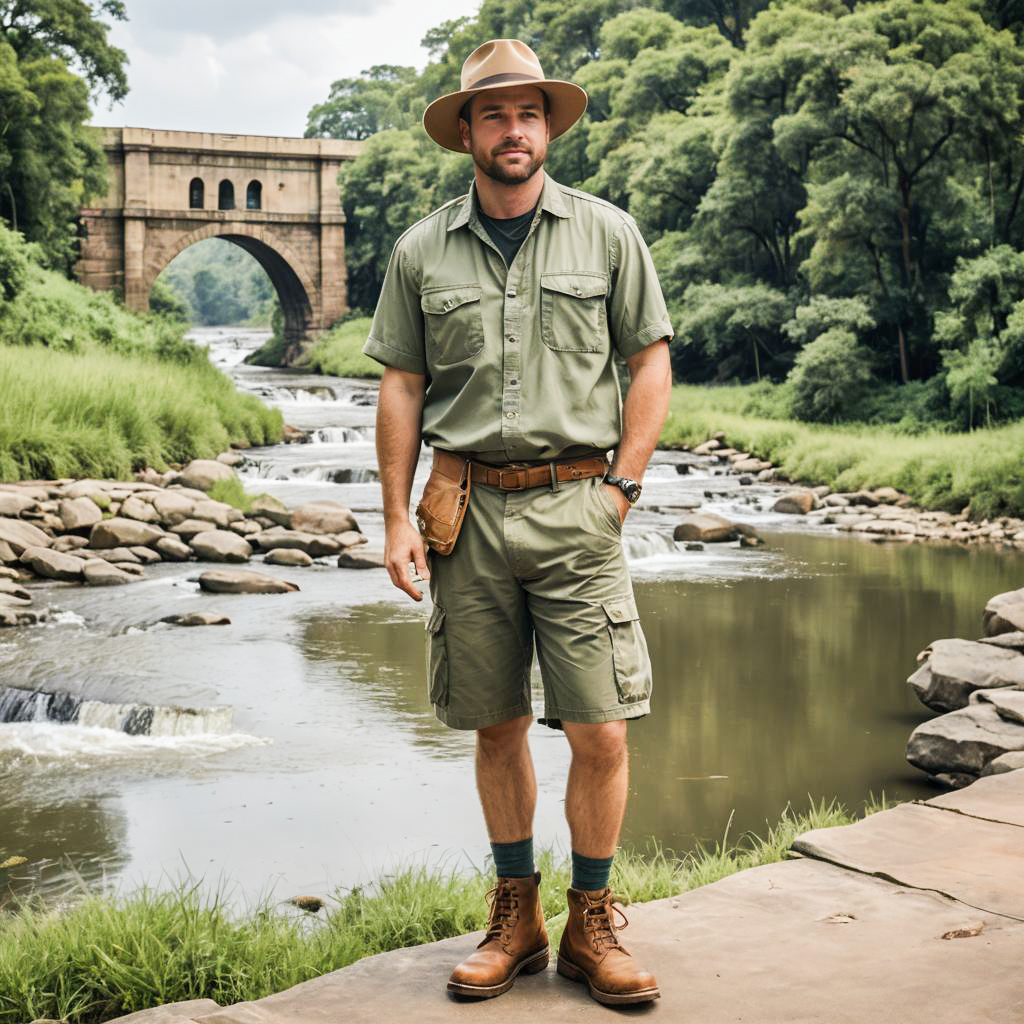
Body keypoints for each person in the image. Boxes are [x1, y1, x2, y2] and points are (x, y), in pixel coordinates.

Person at [363, 38, 673, 1007]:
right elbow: (402, 387)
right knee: (493, 726)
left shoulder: (608, 233)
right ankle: (516, 916)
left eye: (528, 112)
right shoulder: (421, 250)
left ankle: (590, 920)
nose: (513, 128)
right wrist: (393, 520)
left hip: (579, 509)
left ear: (549, 126)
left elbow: (650, 362)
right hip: (464, 514)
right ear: (466, 132)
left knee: (601, 730)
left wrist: (619, 489)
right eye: (493, 114)